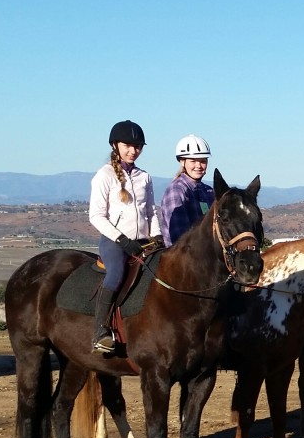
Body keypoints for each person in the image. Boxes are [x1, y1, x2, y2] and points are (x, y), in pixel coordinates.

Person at [88, 120, 161, 353]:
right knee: (116, 274)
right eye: (128, 145)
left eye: (138, 146)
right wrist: (121, 240)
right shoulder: (104, 175)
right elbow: (96, 216)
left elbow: (151, 210)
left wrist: (158, 235)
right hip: (114, 243)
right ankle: (100, 331)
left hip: (144, 242)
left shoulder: (144, 177)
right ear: (115, 145)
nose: (133, 150)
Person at [160, 134, 215, 247]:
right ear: (182, 161)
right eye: (193, 161)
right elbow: (179, 236)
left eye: (203, 161)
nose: (198, 166)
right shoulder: (177, 190)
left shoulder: (209, 191)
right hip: (182, 259)